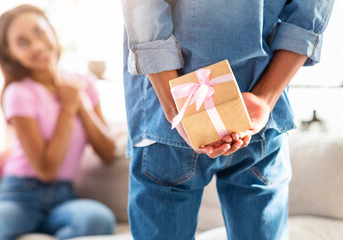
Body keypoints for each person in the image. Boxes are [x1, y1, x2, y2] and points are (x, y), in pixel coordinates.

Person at [121, 1, 334, 239]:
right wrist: (265, 97)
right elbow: (308, 14)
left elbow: (144, 10)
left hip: (167, 117)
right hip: (257, 113)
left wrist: (175, 110)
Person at [0, 4, 116, 240]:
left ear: (52, 31)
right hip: (18, 196)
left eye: (39, 32)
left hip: (64, 198)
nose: (36, 45)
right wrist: (67, 108)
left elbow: (107, 152)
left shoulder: (83, 84)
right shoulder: (18, 93)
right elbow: (46, 171)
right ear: (10, 53)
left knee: (98, 219)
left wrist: (80, 103)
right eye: (23, 42)